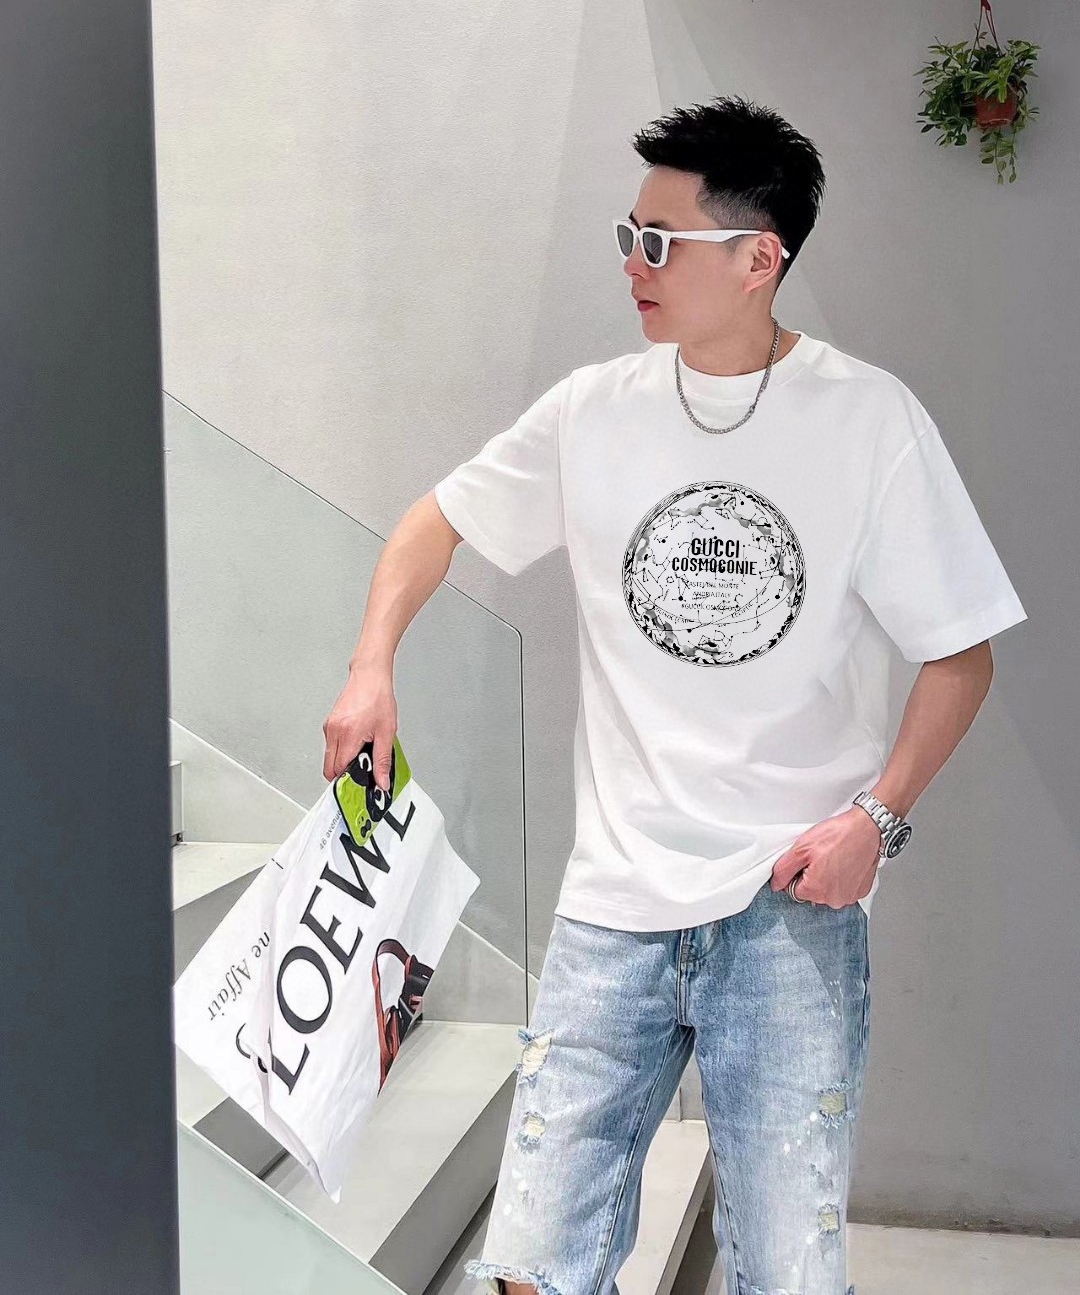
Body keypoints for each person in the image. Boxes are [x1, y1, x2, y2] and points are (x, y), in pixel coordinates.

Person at [321, 95, 1027, 1295]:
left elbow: (962, 651)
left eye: (660, 241)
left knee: (787, 1273)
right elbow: (435, 523)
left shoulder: (870, 422)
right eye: (628, 236)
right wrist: (370, 664)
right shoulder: (593, 411)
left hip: (790, 909)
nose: (633, 264)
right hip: (614, 904)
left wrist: (879, 820)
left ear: (760, 260)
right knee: (532, 1263)